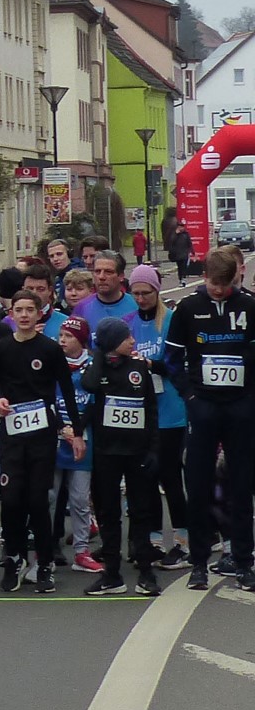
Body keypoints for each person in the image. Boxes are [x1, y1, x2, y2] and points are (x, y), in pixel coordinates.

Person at [164, 246, 255, 591]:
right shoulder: (188, 308)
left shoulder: (248, 306)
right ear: (204, 277)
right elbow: (172, 359)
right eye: (213, 283)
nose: (218, 290)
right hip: (203, 407)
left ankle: (244, 561)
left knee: (241, 486)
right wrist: (189, 395)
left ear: (234, 278)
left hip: (239, 407)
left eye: (224, 284)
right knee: (198, 485)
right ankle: (199, 562)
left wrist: (249, 397)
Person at [0, 291, 84, 594]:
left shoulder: (50, 349)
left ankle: (44, 563)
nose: (25, 315)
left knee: (38, 501)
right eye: (19, 310)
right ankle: (15, 558)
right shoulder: (2, 349)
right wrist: (0, 399)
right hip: (12, 434)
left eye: (30, 309)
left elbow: (66, 389)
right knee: (11, 500)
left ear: (40, 313)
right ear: (11, 314)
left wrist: (75, 431)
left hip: (42, 434)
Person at [83, 319, 162, 596]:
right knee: (108, 513)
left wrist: (153, 449)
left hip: (137, 451)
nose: (132, 341)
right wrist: (100, 356)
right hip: (107, 452)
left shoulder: (139, 367)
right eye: (126, 337)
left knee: (140, 512)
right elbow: (89, 384)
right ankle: (112, 574)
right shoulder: (98, 368)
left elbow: (151, 409)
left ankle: (146, 572)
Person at [128, 266, 188, 569]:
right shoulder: (128, 323)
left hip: (171, 410)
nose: (141, 299)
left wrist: (150, 364)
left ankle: (183, 542)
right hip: (142, 412)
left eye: (146, 293)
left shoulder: (172, 320)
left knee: (169, 476)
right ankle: (152, 541)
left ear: (157, 291)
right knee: (145, 478)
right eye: (136, 293)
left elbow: (179, 363)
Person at [53, 317, 101, 574]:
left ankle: (81, 551)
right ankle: (45, 550)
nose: (63, 340)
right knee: (50, 496)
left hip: (83, 440)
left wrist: (78, 430)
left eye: (69, 336)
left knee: (80, 499)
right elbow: (47, 398)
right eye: (61, 335)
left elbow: (94, 402)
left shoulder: (92, 366)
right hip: (56, 436)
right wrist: (63, 427)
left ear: (82, 340)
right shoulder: (52, 363)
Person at [72, 252, 139, 329]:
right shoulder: (82, 308)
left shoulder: (136, 305)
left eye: (108, 272)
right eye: (97, 271)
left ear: (121, 276)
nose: (101, 277)